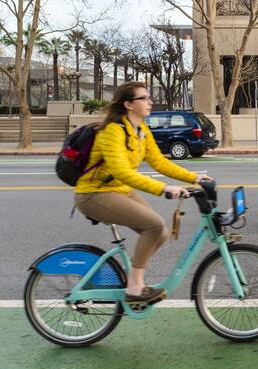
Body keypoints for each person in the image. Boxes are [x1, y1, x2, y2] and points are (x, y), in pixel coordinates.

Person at [73, 81, 209, 305]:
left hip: (119, 191)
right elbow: (122, 172)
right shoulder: (112, 131)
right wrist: (163, 188)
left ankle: (131, 281)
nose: (150, 102)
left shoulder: (141, 130)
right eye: (143, 98)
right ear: (128, 104)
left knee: (161, 232)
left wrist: (193, 177)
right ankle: (135, 288)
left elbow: (159, 162)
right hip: (94, 194)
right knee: (154, 225)